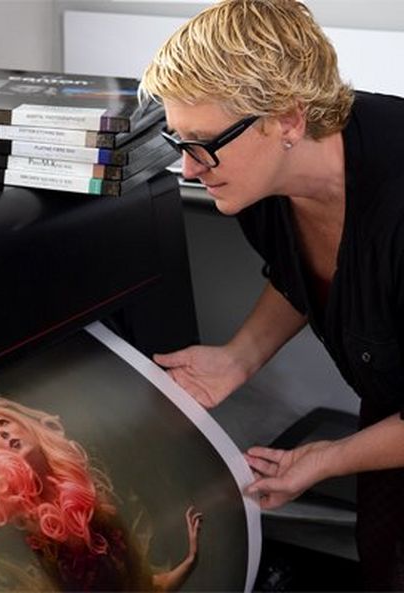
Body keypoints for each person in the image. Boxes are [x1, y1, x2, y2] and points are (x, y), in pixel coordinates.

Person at [139, 0, 404, 589]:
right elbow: (305, 276)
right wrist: (239, 358)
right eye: (177, 140)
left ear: (287, 118)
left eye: (203, 143)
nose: (187, 168)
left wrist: (328, 457)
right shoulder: (256, 185)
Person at [0, 396, 202, 591]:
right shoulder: (11, 503)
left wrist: (191, 559)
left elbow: (140, 585)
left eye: (2, 422)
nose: (0, 433)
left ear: (23, 425)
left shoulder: (80, 474)